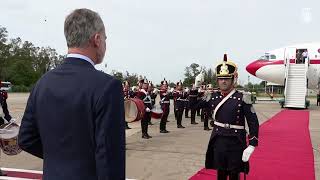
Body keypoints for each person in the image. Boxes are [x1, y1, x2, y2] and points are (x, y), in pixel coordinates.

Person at [18, 9, 125, 180]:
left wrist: (61, 160)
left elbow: (26, 138)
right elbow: (110, 160)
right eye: (105, 39)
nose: (105, 44)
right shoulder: (107, 86)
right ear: (96, 39)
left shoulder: (42, 83)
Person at [205, 54, 259, 180]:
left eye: (227, 78)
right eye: (221, 78)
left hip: (236, 142)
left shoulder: (242, 97)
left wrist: (252, 144)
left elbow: (253, 123)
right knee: (221, 174)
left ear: (233, 79)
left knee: (235, 174)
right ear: (217, 80)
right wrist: (193, 90)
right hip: (218, 140)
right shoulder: (213, 97)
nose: (223, 81)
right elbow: (193, 106)